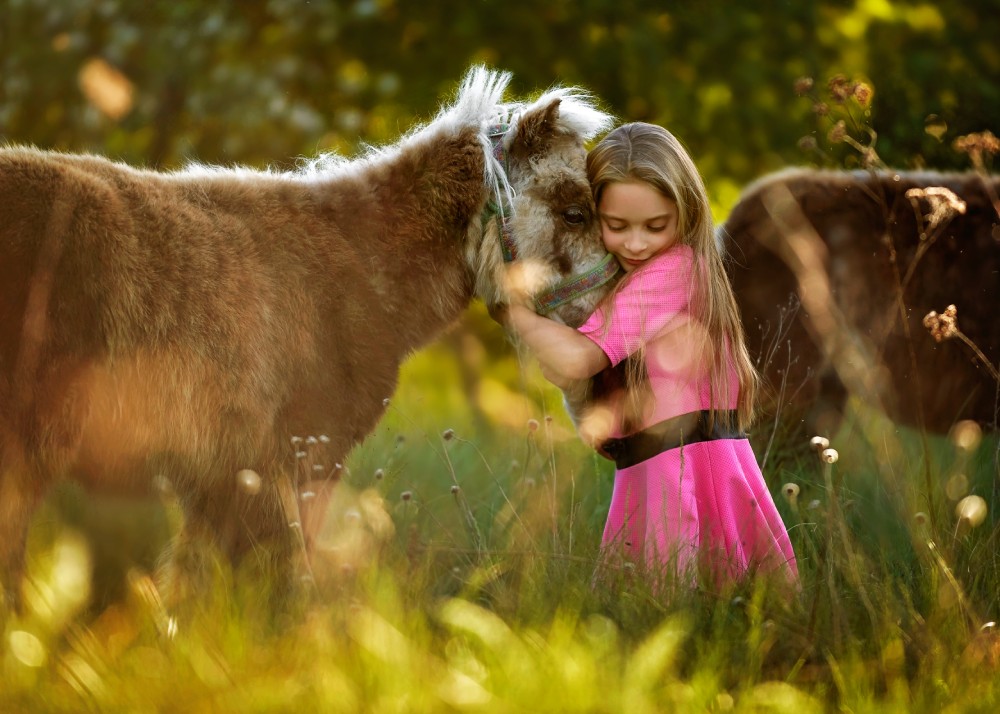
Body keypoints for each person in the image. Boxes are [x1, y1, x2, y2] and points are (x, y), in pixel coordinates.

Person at [496, 122, 797, 588]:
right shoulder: (637, 278)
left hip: (678, 467)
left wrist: (513, 313)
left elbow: (578, 361)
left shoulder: (675, 269)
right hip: (658, 461)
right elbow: (568, 370)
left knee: (665, 597)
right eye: (617, 227)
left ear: (687, 215)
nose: (636, 244)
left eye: (656, 226)